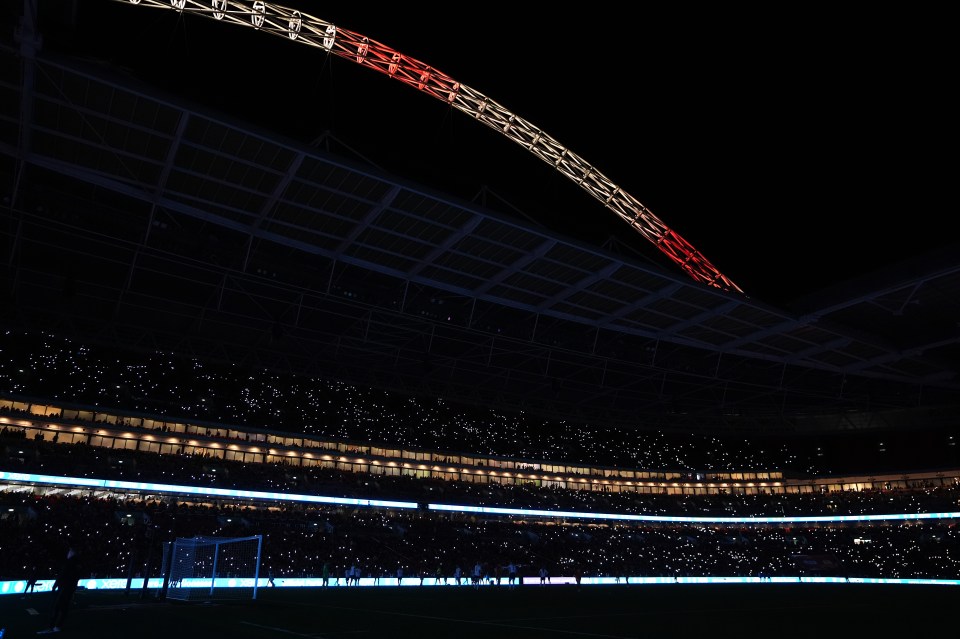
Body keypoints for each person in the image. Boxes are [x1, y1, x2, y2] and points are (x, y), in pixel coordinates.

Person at [38, 547, 81, 634]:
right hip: (70, 589)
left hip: (64, 588)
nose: (67, 553)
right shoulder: (78, 564)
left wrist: (55, 586)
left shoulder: (69, 563)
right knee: (64, 608)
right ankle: (58, 626)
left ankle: (51, 627)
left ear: (72, 553)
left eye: (69, 552)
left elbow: (62, 575)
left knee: (56, 607)